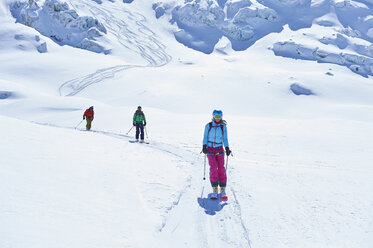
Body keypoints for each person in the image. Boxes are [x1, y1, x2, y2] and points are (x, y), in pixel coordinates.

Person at [202, 109, 232, 200]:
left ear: (221, 117)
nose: (218, 118)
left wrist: (227, 148)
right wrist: (204, 146)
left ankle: (222, 190)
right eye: (216, 116)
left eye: (219, 117)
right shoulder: (208, 126)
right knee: (214, 168)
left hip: (219, 148)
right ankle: (214, 189)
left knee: (221, 168)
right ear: (213, 116)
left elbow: (225, 138)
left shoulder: (223, 126)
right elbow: (205, 136)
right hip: (210, 149)